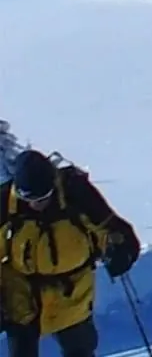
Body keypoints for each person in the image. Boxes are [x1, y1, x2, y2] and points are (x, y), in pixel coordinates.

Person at [1, 150, 141, 357]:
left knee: (80, 350)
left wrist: (120, 251)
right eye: (28, 198)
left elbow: (112, 228)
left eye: (43, 196)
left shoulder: (76, 192)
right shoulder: (4, 204)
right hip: (22, 296)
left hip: (72, 293)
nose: (36, 204)